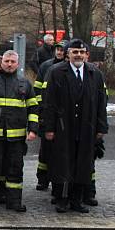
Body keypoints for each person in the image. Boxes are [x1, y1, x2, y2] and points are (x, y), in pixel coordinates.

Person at [42, 39, 108, 213]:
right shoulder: (57, 73)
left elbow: (102, 103)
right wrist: (49, 128)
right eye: (74, 52)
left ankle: (77, 200)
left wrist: (102, 128)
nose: (78, 55)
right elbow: (49, 103)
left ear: (86, 54)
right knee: (64, 163)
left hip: (87, 127)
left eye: (81, 52)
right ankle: (62, 199)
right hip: (64, 127)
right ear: (67, 54)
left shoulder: (95, 74)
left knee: (83, 164)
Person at [0, 50, 39, 212]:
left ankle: (14, 202)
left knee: (15, 170)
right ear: (2, 62)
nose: (9, 64)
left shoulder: (25, 83)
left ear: (17, 64)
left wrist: (33, 129)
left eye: (12, 62)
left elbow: (33, 109)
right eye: (7, 61)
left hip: (16, 138)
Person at [34, 41, 66, 191]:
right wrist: (41, 111)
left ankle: (57, 182)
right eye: (57, 49)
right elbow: (38, 90)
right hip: (47, 114)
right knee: (45, 150)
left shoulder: (70, 69)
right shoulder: (46, 66)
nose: (59, 52)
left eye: (62, 50)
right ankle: (43, 179)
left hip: (63, 117)